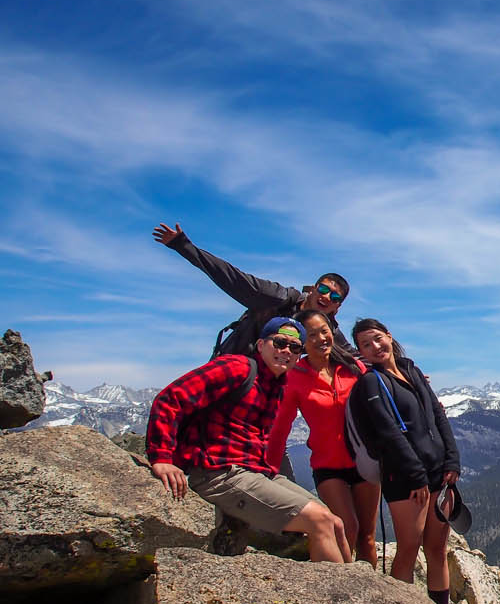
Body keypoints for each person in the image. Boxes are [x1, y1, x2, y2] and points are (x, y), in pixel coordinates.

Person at [147, 317, 350, 563]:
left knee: (335, 522)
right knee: (319, 521)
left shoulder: (276, 386)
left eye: (295, 348)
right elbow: (171, 399)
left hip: (255, 472)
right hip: (219, 473)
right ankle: (335, 599)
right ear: (261, 344)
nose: (286, 351)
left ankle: (358, 594)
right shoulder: (236, 368)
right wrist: (162, 458)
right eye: (280, 343)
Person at [350, 318, 461, 604]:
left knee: (437, 548)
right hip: (406, 481)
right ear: (360, 351)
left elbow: (438, 417)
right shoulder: (371, 383)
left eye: (377, 339)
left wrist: (452, 459)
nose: (375, 347)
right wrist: (416, 476)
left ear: (389, 335)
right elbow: (387, 432)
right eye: (365, 344)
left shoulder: (411, 369)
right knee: (409, 548)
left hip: (440, 474)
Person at [266, 310, 380, 567]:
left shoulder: (353, 367)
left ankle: (374, 597)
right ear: (303, 342)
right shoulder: (295, 376)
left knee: (368, 538)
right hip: (328, 465)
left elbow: (380, 403)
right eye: (312, 334)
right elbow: (280, 428)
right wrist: (269, 470)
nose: (321, 338)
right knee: (346, 528)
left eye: (324, 331)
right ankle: (344, 590)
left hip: (364, 461)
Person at [152, 222, 350, 358]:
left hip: (272, 390)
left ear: (336, 308)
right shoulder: (276, 298)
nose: (326, 296)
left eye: (334, 296)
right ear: (313, 289)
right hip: (235, 369)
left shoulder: (327, 333)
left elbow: (354, 355)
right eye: (323, 289)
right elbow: (232, 278)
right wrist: (183, 246)